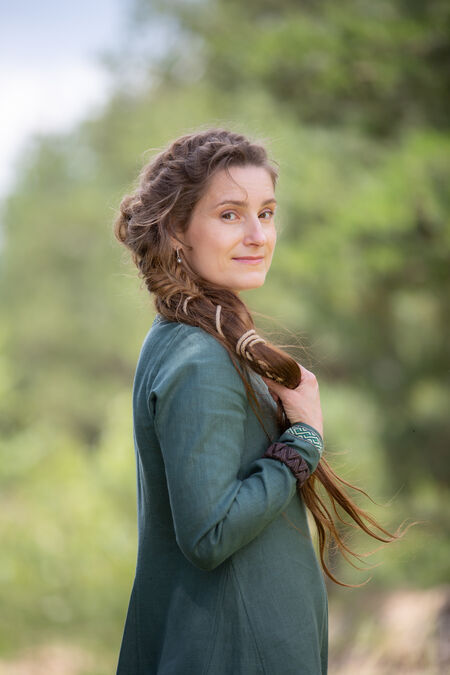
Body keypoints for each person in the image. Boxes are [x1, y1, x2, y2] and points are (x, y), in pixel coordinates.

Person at [113, 128, 400, 674]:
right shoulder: (200, 358)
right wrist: (302, 443)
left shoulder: (181, 338)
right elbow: (210, 533)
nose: (257, 235)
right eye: (230, 215)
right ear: (177, 231)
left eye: (266, 214)